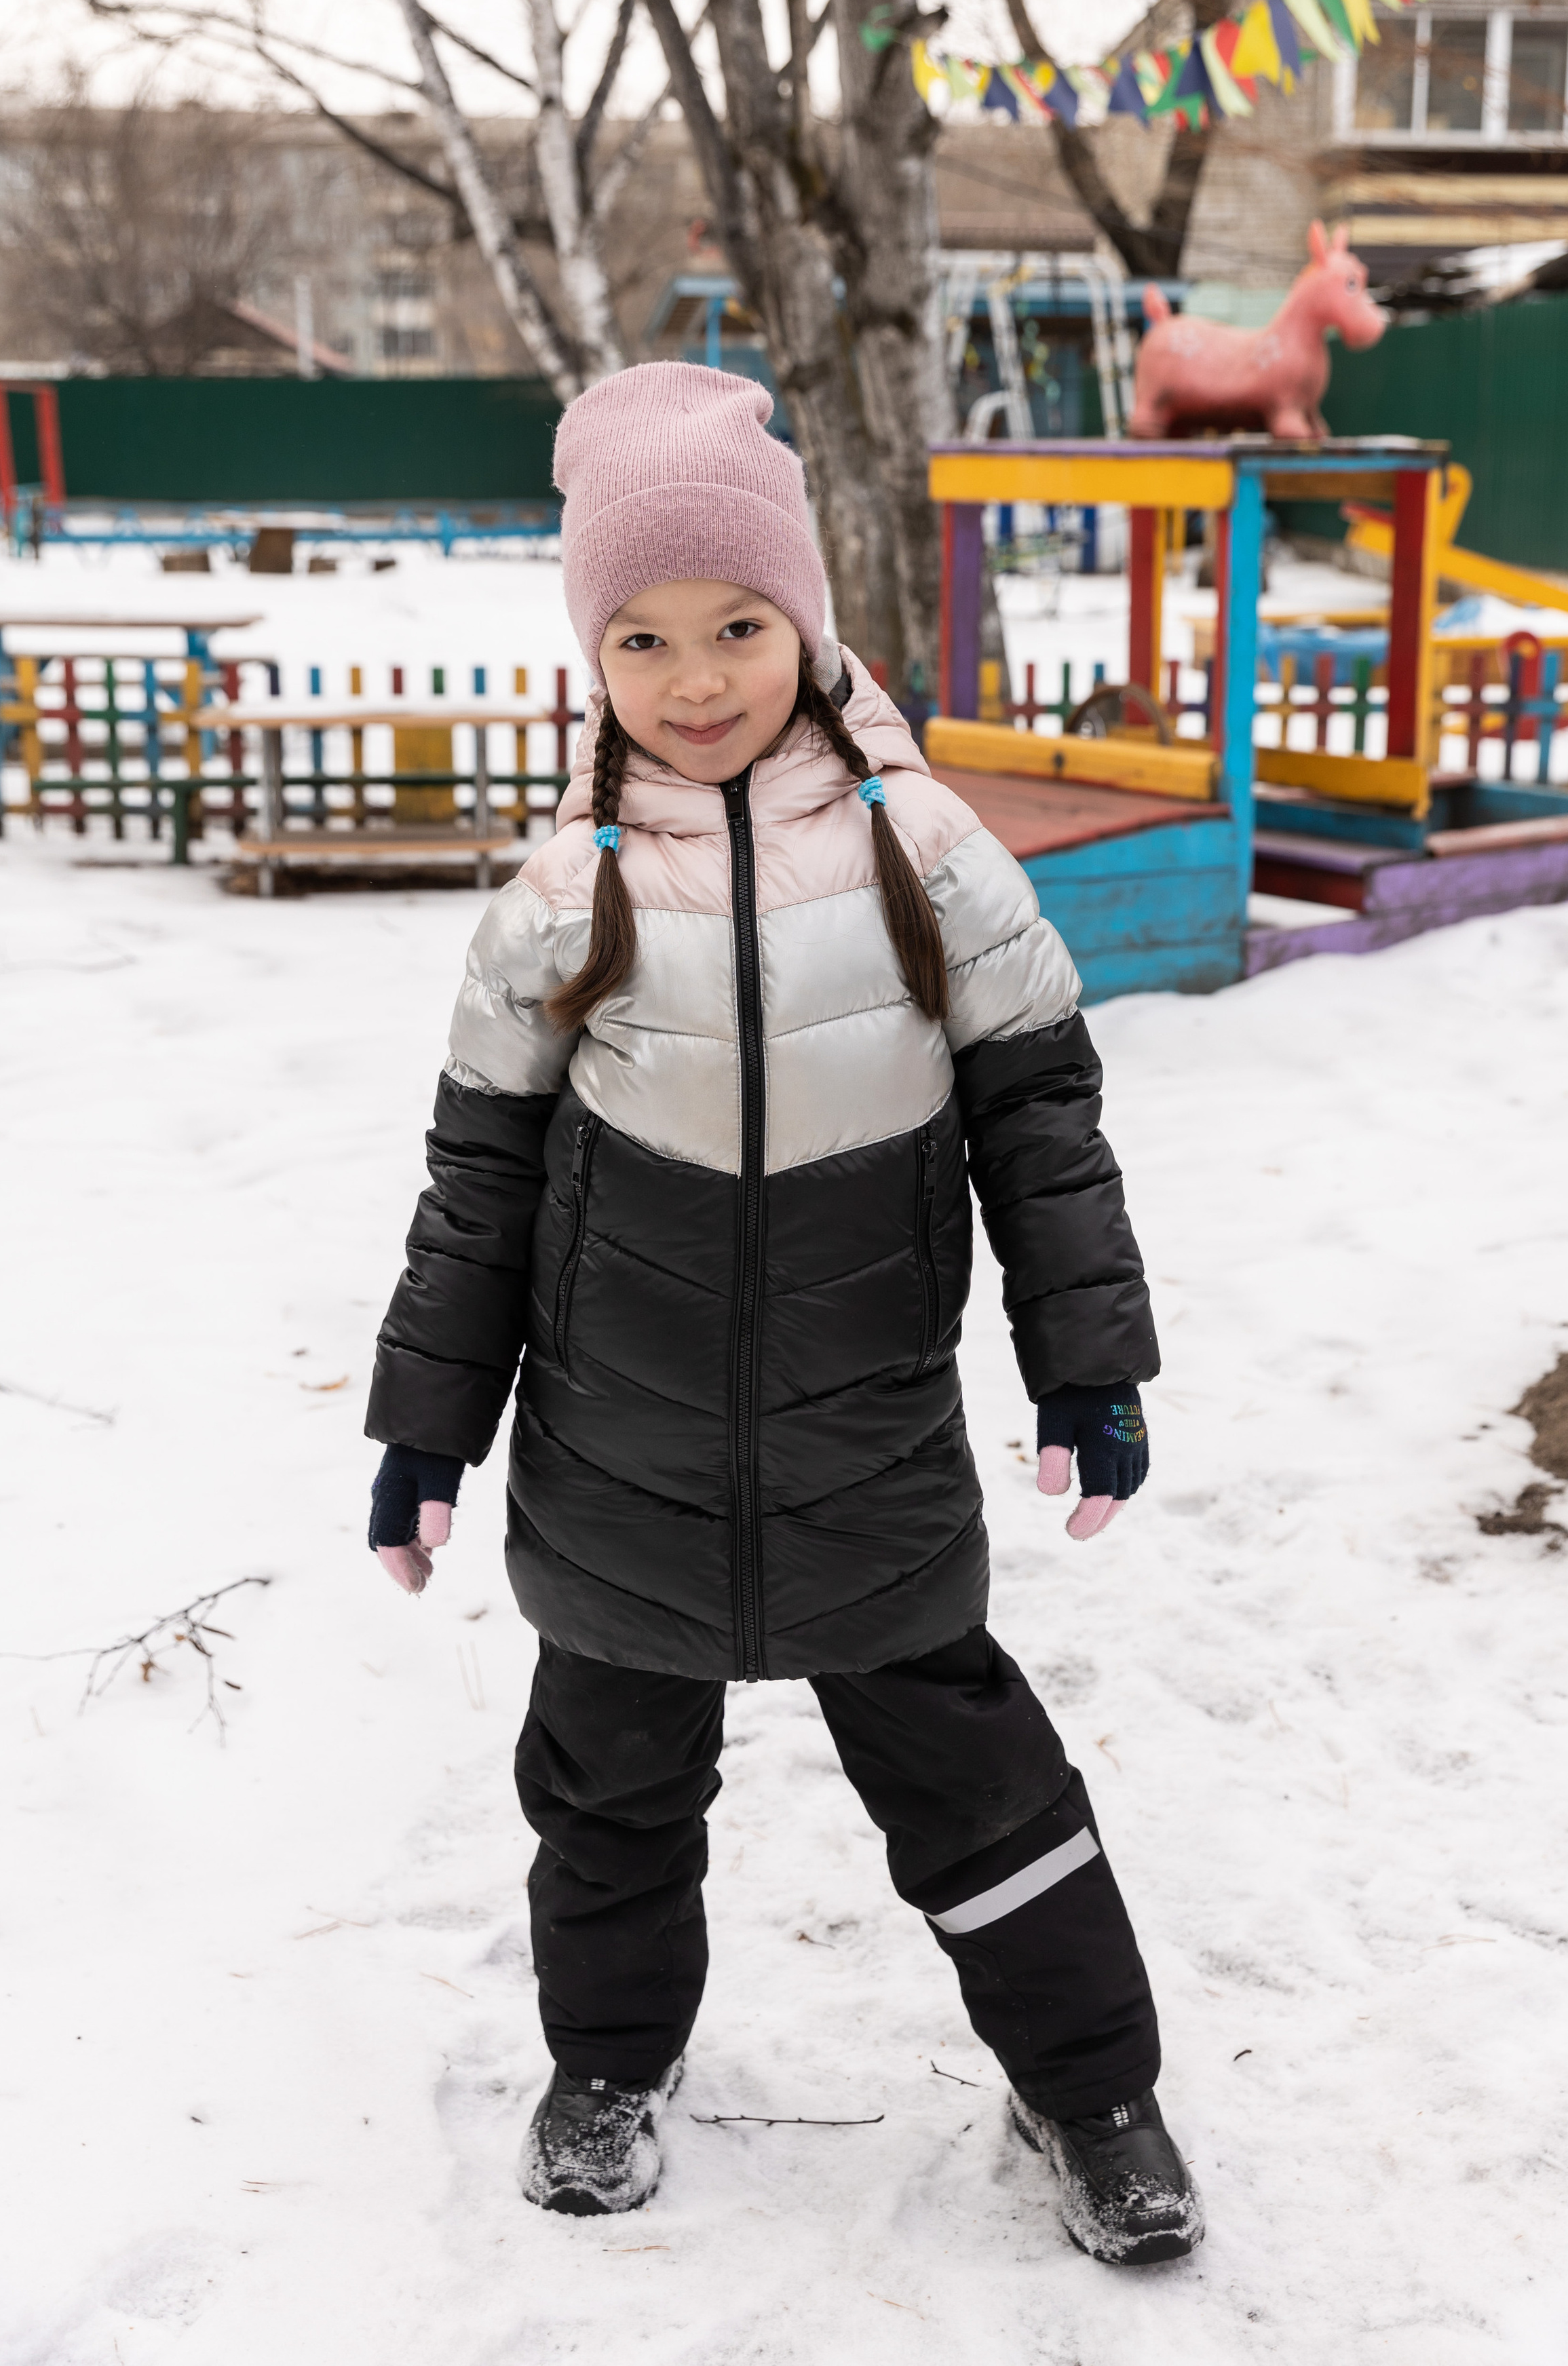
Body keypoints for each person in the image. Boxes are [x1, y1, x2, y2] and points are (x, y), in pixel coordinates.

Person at [363, 364, 1201, 2268]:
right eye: (644, 637)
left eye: (738, 624)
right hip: (617, 1452)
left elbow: (1041, 1126)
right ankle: (605, 2070)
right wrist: (426, 1428)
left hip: (867, 1439)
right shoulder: (560, 894)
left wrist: (1091, 1362)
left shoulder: (929, 859)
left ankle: (1093, 2093)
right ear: (597, 656)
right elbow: (480, 1177)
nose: (698, 673)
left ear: (805, 623)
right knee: (605, 1805)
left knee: (984, 1796)